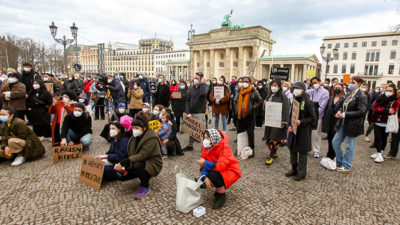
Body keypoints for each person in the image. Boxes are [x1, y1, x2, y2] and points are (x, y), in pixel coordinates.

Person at [116, 115, 163, 199]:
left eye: (137, 128)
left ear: (144, 128)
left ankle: (145, 186)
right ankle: (143, 175)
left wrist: (124, 161)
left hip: (153, 163)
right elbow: (132, 153)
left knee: (137, 165)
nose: (134, 130)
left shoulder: (151, 138)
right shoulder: (135, 137)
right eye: (133, 127)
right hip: (140, 161)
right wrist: (125, 166)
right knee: (121, 176)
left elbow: (143, 155)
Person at [197, 129, 241, 209]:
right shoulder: (206, 148)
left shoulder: (224, 147)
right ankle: (210, 183)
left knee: (213, 175)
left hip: (230, 171)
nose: (205, 140)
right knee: (204, 177)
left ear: (213, 138)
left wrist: (205, 163)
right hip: (216, 169)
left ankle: (221, 195)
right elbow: (202, 166)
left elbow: (221, 165)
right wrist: (205, 177)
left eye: (207, 138)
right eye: (204, 138)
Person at [333, 76, 367, 172]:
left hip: (353, 123)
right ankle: (340, 162)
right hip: (343, 121)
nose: (351, 84)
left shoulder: (362, 96)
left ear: (359, 84)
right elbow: (343, 106)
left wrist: (345, 114)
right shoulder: (349, 94)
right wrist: (339, 112)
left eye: (353, 82)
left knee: (349, 145)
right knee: (335, 142)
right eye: (350, 82)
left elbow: (361, 112)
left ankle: (347, 165)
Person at [286, 82, 316, 181]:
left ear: (303, 90)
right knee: (292, 149)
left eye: (297, 88)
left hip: (303, 131)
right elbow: (291, 115)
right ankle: (294, 169)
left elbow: (313, 118)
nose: (295, 90)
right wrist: (289, 125)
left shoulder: (308, 101)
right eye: (294, 88)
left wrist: (302, 121)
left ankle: (301, 173)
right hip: (293, 130)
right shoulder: (295, 99)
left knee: (302, 152)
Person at [370, 84, 400, 163]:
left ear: (394, 92)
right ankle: (378, 153)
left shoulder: (395, 101)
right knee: (377, 138)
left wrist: (381, 109)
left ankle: (381, 152)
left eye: (390, 91)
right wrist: (386, 110)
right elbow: (375, 107)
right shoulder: (380, 98)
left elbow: (393, 111)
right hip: (377, 120)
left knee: (384, 138)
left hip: (387, 122)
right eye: (387, 90)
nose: (388, 92)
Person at [234, 76, 263, 156]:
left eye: (246, 81)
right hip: (240, 116)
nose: (244, 83)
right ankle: (239, 148)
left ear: (250, 83)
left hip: (249, 115)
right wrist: (236, 109)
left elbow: (260, 101)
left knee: (250, 133)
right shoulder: (238, 90)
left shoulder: (253, 91)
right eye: (243, 81)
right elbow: (235, 100)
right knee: (239, 132)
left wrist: (252, 107)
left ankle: (251, 150)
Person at [263, 79, 290, 165]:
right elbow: (265, 108)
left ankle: (271, 156)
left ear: (279, 87)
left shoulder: (283, 96)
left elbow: (286, 109)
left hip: (277, 121)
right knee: (268, 138)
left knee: (273, 138)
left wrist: (283, 122)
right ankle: (274, 152)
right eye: (272, 85)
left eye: (275, 86)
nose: (273, 87)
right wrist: (265, 105)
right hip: (269, 120)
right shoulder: (269, 95)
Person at [182, 72, 208, 151]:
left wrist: (203, 83)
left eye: (197, 78)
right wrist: (188, 112)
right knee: (192, 130)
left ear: (201, 79)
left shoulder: (204, 87)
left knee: (201, 130)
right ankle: (190, 146)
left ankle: (205, 147)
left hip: (199, 113)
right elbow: (188, 101)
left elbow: (203, 93)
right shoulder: (191, 88)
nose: (195, 79)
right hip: (191, 112)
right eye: (195, 78)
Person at [321, 83, 345, 164]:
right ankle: (329, 154)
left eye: (339, 87)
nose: (337, 89)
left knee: (335, 140)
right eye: (336, 87)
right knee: (330, 139)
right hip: (329, 121)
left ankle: (335, 155)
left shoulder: (343, 99)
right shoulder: (331, 98)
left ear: (342, 89)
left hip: (337, 121)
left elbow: (343, 109)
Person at [306, 77, 329, 158]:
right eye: (313, 83)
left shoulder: (325, 92)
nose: (314, 84)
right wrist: (307, 84)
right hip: (310, 115)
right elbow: (304, 91)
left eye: (316, 82)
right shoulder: (312, 91)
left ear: (319, 82)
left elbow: (322, 106)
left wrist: (314, 114)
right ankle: (308, 148)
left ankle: (316, 150)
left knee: (316, 134)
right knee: (308, 133)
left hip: (318, 116)